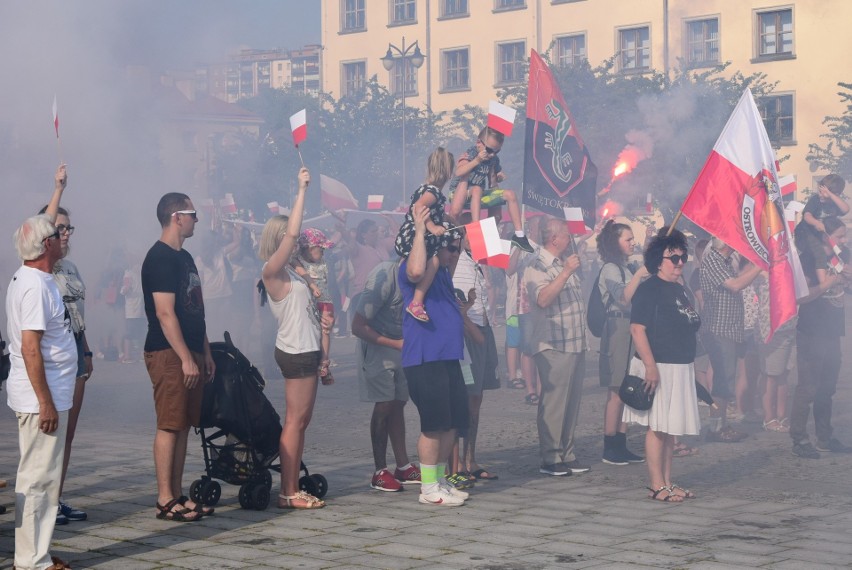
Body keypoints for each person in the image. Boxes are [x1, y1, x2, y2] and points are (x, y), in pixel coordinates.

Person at [6, 168, 77, 570]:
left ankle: (36, 554)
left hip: (45, 396)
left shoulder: (38, 275)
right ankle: (31, 561)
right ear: (45, 244)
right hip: (39, 402)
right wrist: (45, 402)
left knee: (43, 479)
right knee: (37, 481)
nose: (62, 237)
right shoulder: (33, 285)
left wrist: (58, 188)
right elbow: (31, 349)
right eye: (56, 234)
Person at [142, 192, 215, 522]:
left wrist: (205, 351)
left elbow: (194, 308)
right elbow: (165, 313)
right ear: (176, 217)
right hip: (168, 352)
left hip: (191, 351)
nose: (197, 219)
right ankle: (164, 498)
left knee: (184, 424)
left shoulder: (184, 258)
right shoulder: (160, 258)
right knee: (169, 424)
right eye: (193, 213)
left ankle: (177, 492)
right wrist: (186, 357)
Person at [259, 167, 329, 509]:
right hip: (295, 350)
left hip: (307, 348)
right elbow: (292, 235)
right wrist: (301, 190)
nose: (298, 242)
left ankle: (292, 486)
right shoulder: (271, 271)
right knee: (294, 421)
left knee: (301, 421)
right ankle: (288, 491)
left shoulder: (291, 272)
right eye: (291, 238)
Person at [624, 227, 702, 502]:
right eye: (674, 258)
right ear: (659, 260)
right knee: (657, 427)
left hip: (680, 365)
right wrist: (650, 366)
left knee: (670, 429)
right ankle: (656, 485)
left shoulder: (679, 288)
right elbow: (637, 329)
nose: (680, 263)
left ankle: (668, 482)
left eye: (683, 257)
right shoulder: (649, 289)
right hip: (658, 365)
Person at [400, 204, 469, 506]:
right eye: (448, 248)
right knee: (434, 423)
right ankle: (428, 488)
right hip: (425, 356)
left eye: (455, 249)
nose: (452, 253)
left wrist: (459, 240)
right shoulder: (416, 266)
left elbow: (450, 263)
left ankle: (439, 479)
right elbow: (416, 269)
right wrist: (420, 230)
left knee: (452, 422)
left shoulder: (441, 271)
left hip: (448, 355)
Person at [39, 171, 93, 526]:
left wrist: (86, 352)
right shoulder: (41, 270)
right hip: (49, 357)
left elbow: (79, 316)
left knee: (68, 434)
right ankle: (41, 502)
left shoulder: (71, 268)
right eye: (60, 228)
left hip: (75, 351)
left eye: (70, 228)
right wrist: (58, 188)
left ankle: (56, 499)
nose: (66, 233)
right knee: (49, 433)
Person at [524, 217, 590, 476]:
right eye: (566, 234)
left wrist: (568, 269)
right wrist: (565, 273)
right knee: (554, 403)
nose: (570, 237)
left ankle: (567, 452)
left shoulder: (564, 262)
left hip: (575, 342)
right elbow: (543, 299)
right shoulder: (537, 263)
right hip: (553, 343)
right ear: (554, 239)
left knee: (571, 402)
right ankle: (551, 456)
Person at [351, 259, 421, 492]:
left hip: (402, 346)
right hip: (379, 344)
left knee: (398, 402)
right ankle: (379, 471)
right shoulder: (384, 275)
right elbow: (358, 326)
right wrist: (394, 343)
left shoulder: (423, 274)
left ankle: (403, 465)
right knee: (384, 404)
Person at [790, 216, 852, 458]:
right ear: (826, 237)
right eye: (839, 236)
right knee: (807, 387)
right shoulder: (808, 260)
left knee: (827, 387)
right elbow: (801, 297)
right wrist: (829, 283)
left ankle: (824, 437)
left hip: (833, 331)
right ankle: (799, 438)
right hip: (811, 331)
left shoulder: (841, 257)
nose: (844, 240)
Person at [450, 212, 501, 484]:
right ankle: (457, 462)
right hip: (466, 333)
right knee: (466, 396)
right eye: (475, 232)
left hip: (483, 327)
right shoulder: (456, 260)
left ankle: (471, 459)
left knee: (477, 397)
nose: (482, 236)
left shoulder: (478, 262)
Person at [595, 220, 648, 466]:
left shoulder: (628, 267)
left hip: (631, 327)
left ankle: (621, 442)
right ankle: (610, 446)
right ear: (615, 242)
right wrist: (638, 275)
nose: (632, 242)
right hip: (616, 327)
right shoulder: (609, 268)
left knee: (628, 387)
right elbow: (623, 298)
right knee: (616, 389)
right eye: (627, 239)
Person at [699, 238, 761, 442]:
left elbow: (739, 278)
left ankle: (721, 424)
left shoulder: (724, 262)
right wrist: (760, 266)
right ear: (726, 243)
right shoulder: (713, 260)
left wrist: (754, 264)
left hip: (728, 329)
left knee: (725, 379)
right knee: (722, 381)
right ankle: (716, 428)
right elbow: (735, 285)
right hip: (719, 328)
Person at [447, 126, 533, 253]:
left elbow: (492, 183)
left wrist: (497, 178)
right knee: (476, 189)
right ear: (478, 143)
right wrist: (476, 160)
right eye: (489, 150)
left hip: (477, 196)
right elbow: (459, 171)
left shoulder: (492, 158)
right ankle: (475, 228)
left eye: (496, 151)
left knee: (510, 194)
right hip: (459, 193)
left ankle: (519, 235)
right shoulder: (472, 153)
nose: (492, 154)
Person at [394, 147, 455, 323]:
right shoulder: (434, 192)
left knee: (435, 259)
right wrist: (432, 226)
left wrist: (451, 221)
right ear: (447, 171)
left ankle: (418, 300)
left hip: (408, 236)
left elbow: (436, 213)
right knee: (435, 261)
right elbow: (418, 208)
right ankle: (417, 302)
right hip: (414, 235)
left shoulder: (426, 190)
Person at [294, 228, 336, 384]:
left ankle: (324, 363)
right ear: (310, 248)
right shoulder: (298, 261)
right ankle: (310, 360)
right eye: (321, 248)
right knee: (311, 331)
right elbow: (293, 262)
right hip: (309, 303)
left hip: (325, 301)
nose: (323, 251)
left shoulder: (323, 262)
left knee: (325, 330)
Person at [754, 272, 794, 433]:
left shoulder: (789, 264)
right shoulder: (762, 268)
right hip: (772, 327)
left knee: (784, 373)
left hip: (791, 324)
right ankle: (769, 418)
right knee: (770, 374)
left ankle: (781, 415)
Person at [794, 174, 848, 258]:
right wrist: (816, 223)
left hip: (821, 236)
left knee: (843, 252)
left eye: (824, 193)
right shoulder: (815, 200)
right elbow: (807, 216)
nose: (820, 195)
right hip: (805, 234)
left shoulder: (835, 203)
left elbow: (846, 209)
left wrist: (830, 194)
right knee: (818, 253)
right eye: (819, 191)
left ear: (835, 195)